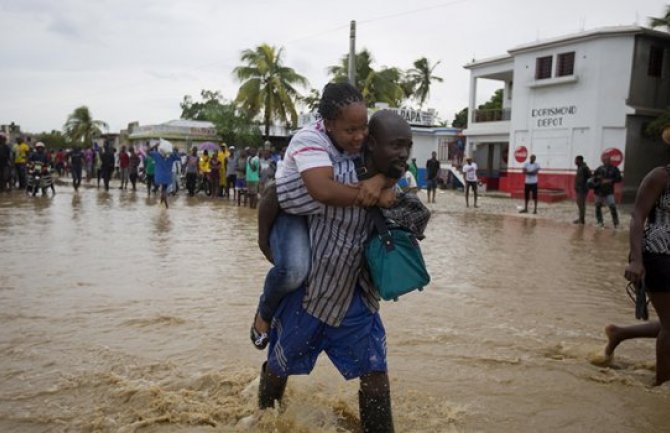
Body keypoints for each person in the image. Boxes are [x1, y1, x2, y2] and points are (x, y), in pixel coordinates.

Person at [254, 88, 414, 432]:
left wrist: (389, 187)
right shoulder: (328, 175)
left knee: (375, 375)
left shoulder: (401, 186)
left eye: (407, 146)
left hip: (358, 302)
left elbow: (419, 221)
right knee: (278, 368)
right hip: (310, 297)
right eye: (395, 146)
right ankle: (262, 419)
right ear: (372, 145)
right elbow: (274, 194)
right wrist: (263, 238)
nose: (403, 154)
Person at [251, 83, 392, 351]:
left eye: (363, 127)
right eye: (350, 130)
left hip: (326, 213)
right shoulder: (309, 139)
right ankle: (264, 313)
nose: (360, 136)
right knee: (294, 270)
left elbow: (394, 156)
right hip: (291, 209)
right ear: (328, 124)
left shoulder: (361, 133)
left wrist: (382, 180)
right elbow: (323, 190)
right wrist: (373, 194)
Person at [598, 164, 670, 386]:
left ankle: (619, 334)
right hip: (658, 255)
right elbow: (638, 216)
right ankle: (662, 386)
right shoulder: (660, 176)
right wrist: (637, 261)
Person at [592, 153, 622, 229]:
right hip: (598, 191)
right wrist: (597, 179)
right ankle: (600, 222)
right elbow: (593, 179)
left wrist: (610, 180)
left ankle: (616, 223)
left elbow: (619, 178)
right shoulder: (598, 169)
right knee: (598, 207)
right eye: (605, 159)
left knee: (612, 206)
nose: (606, 161)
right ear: (602, 160)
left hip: (609, 192)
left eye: (608, 159)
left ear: (610, 160)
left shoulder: (614, 169)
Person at [148, 141, 181, 208]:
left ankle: (162, 203)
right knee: (164, 190)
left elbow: (147, 152)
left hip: (158, 177)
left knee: (163, 190)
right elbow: (179, 158)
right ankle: (166, 205)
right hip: (167, 177)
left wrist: (155, 145)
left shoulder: (157, 155)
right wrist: (174, 151)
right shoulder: (171, 156)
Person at [573, 155, 591, 224]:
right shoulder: (580, 167)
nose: (575, 162)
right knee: (580, 204)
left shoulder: (584, 168)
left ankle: (582, 220)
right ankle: (581, 218)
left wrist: (585, 185)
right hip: (579, 189)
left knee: (581, 204)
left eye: (576, 160)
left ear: (580, 160)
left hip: (582, 189)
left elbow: (590, 176)